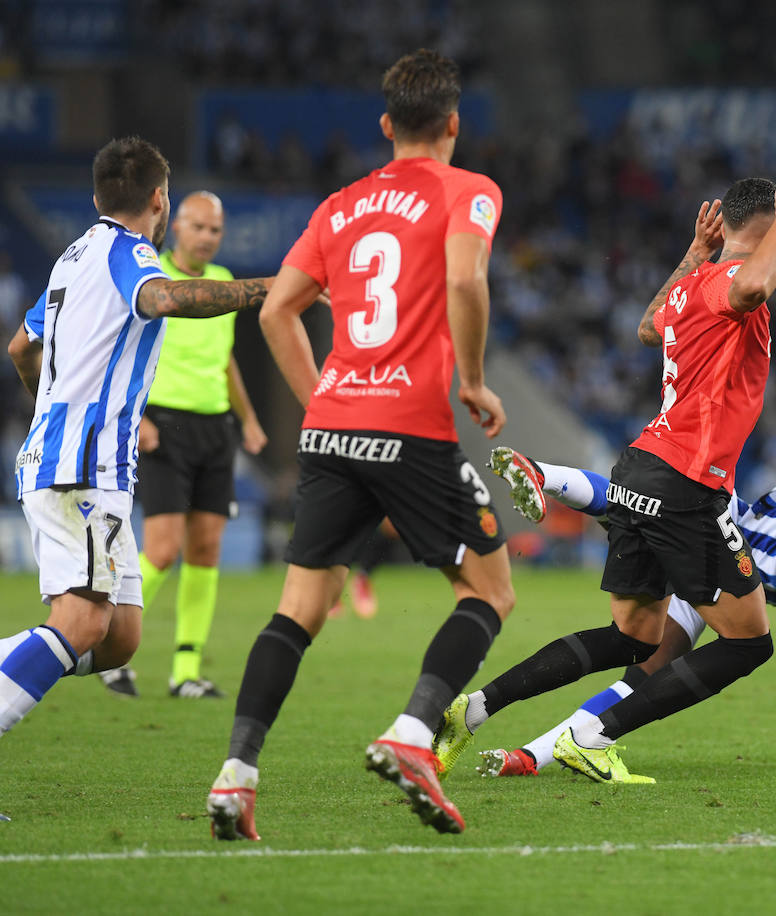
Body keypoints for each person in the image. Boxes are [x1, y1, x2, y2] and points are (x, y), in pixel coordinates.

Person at [205, 49, 515, 842]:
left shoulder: (340, 206)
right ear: (453, 124)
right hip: (411, 424)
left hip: (337, 424)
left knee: (299, 610)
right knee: (488, 591)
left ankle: (236, 776)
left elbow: (276, 311)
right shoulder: (470, 191)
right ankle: (412, 735)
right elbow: (466, 281)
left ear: (385, 126)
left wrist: (325, 407)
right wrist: (474, 380)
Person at [431, 180, 776, 784]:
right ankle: (597, 738)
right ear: (764, 228)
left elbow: (646, 327)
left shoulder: (693, 283)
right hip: (688, 484)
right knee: (748, 643)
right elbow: (757, 282)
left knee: (635, 637)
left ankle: (472, 709)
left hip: (640, 470)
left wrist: (693, 250)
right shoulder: (735, 286)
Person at [461, 450, 776, 779]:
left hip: (733, 589)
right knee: (646, 508)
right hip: (732, 545)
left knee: (647, 667)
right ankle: (544, 473)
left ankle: (530, 756)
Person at [1, 136, 271, 751]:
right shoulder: (130, 253)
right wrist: (270, 288)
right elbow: (166, 297)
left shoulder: (72, 257)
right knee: (82, 620)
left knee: (120, 635)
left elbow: (22, 346)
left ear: (97, 195)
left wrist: (51, 405)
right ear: (160, 200)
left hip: (77, 459)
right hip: (82, 466)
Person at [99, 191, 269, 699]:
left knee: (205, 549)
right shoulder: (154, 284)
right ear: (177, 228)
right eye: (198, 227)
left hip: (216, 428)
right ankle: (109, 645)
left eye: (215, 230)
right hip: (164, 427)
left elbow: (224, 358)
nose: (207, 237)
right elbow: (122, 351)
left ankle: (186, 670)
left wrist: (249, 418)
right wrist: (141, 416)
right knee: (164, 548)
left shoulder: (221, 284)